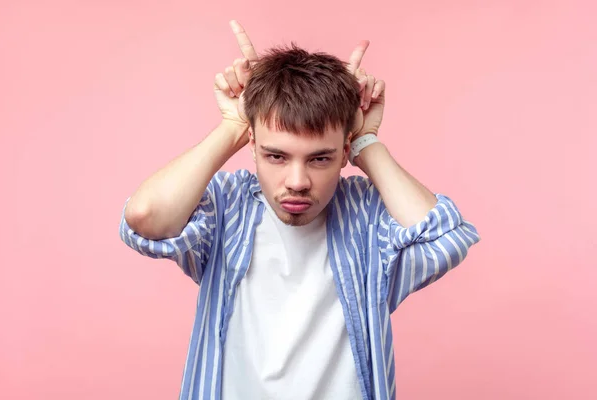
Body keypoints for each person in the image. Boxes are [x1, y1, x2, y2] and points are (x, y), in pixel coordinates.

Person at [119, 20, 480, 400]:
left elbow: (447, 238)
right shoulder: (226, 207)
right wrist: (233, 125)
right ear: (253, 143)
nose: (297, 181)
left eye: (320, 158)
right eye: (275, 155)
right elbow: (145, 219)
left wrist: (367, 141)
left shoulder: (369, 216)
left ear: (344, 153)